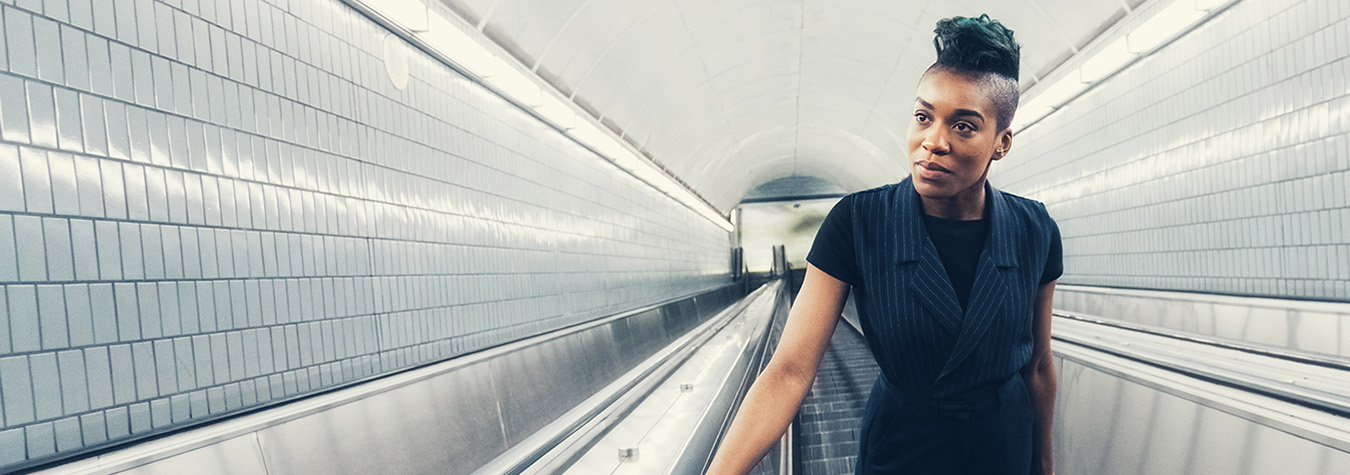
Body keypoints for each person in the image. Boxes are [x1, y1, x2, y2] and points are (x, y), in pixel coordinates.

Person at [707, 14, 1062, 475]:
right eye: (923, 117)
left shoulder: (1034, 228)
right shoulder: (859, 222)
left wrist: (1045, 462)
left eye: (964, 127)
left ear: (1002, 143)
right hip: (904, 447)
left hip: (1002, 445)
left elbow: (1037, 365)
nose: (933, 142)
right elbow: (790, 369)